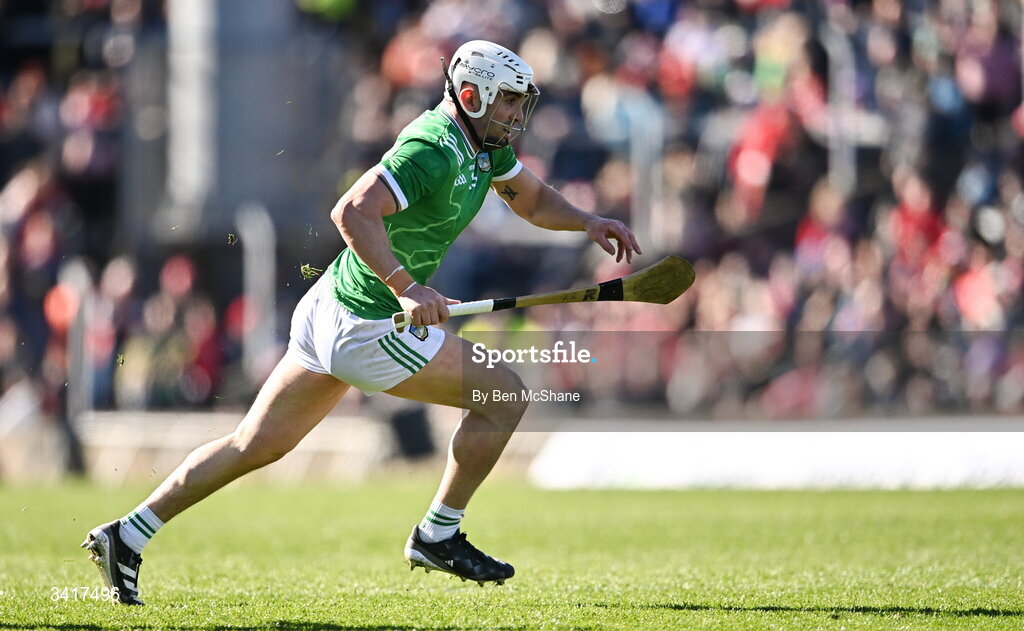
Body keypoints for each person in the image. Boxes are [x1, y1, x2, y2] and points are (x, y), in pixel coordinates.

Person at [82, 40, 641, 604]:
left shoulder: (483, 147)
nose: (517, 116)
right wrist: (408, 287)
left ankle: (126, 534)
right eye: (507, 104)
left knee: (254, 443)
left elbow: (532, 201)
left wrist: (588, 221)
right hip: (369, 326)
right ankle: (438, 533)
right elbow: (351, 210)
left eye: (522, 104)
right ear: (470, 96)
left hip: (331, 305)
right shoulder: (432, 147)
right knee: (505, 395)